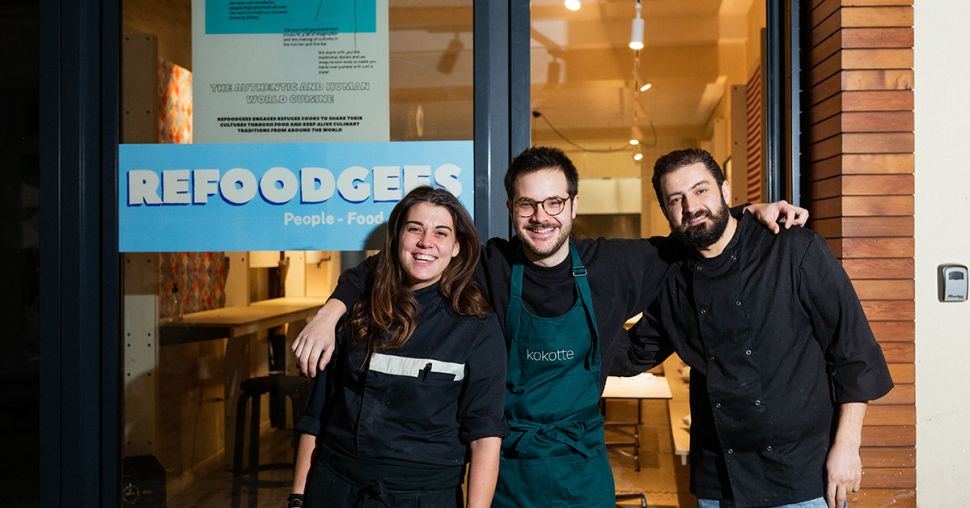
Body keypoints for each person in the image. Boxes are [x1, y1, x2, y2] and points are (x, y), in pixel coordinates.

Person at [292, 146, 809, 507]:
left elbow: (698, 228)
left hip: (579, 468)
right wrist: (332, 310)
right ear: (511, 209)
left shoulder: (616, 264)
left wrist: (749, 212)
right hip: (506, 467)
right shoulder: (489, 263)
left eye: (554, 202)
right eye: (527, 204)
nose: (542, 217)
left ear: (574, 205)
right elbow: (401, 262)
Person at [617, 148, 894, 508]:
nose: (691, 206)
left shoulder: (794, 249)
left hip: (801, 474)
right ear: (666, 211)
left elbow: (852, 351)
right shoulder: (673, 278)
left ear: (726, 192)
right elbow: (638, 351)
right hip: (719, 476)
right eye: (676, 199)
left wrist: (847, 446)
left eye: (701, 190)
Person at [288, 186, 507, 508]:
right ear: (397, 237)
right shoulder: (357, 310)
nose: (425, 243)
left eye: (441, 233)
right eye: (414, 229)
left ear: (457, 246)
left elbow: (485, 437)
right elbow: (316, 416)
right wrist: (297, 498)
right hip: (335, 486)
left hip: (423, 495)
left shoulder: (476, 326)